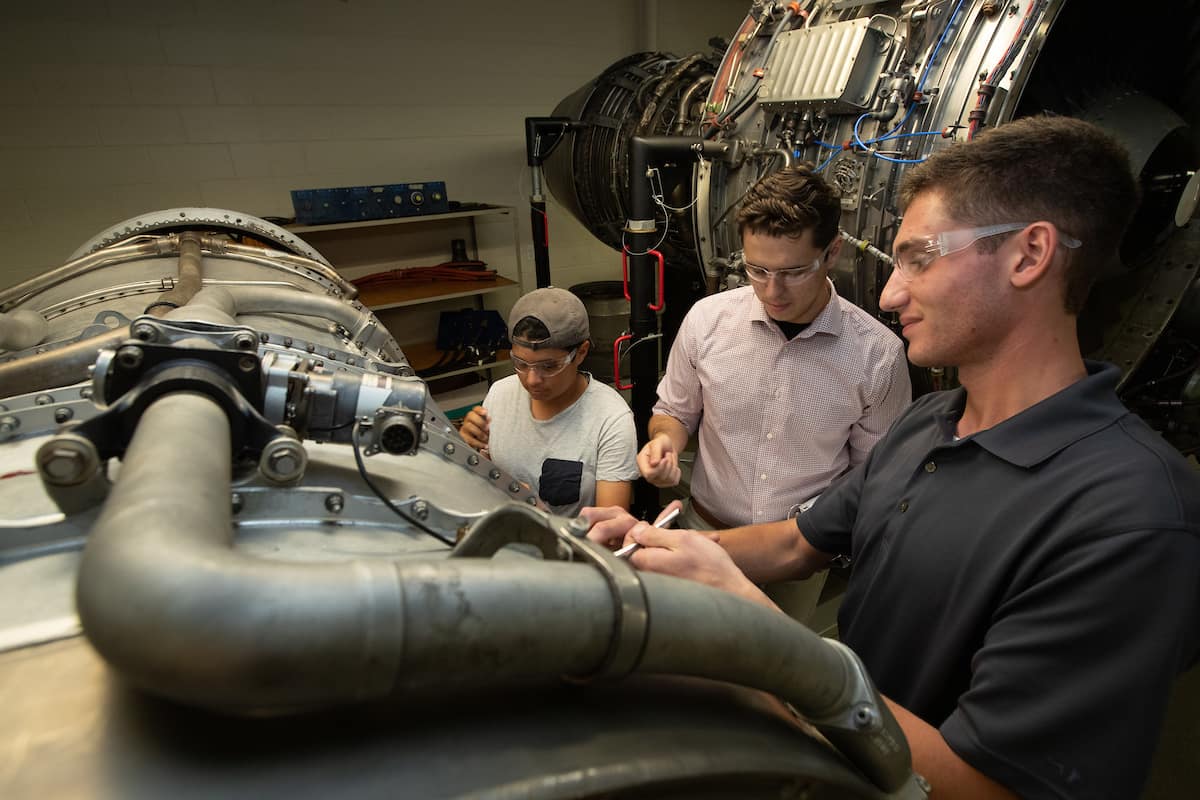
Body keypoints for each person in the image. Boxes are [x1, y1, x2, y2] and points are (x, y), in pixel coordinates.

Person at [586, 116, 1200, 799]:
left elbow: (994, 788)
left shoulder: (1131, 516)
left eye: (919, 257)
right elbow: (796, 544)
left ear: (1029, 256)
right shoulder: (928, 427)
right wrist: (656, 549)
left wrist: (771, 644)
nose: (887, 293)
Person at [639, 164, 912, 619]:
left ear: (832, 253)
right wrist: (664, 441)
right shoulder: (708, 321)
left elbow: (872, 475)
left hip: (799, 555)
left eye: (792, 271)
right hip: (704, 534)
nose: (772, 290)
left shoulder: (876, 355)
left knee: (778, 678)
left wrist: (811, 533)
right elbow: (675, 410)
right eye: (756, 270)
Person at [460, 286, 640, 516]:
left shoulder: (610, 418)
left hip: (568, 550)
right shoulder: (499, 394)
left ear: (581, 352)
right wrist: (466, 449)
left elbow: (611, 532)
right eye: (521, 364)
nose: (532, 380)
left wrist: (533, 513)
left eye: (549, 366)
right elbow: (476, 481)